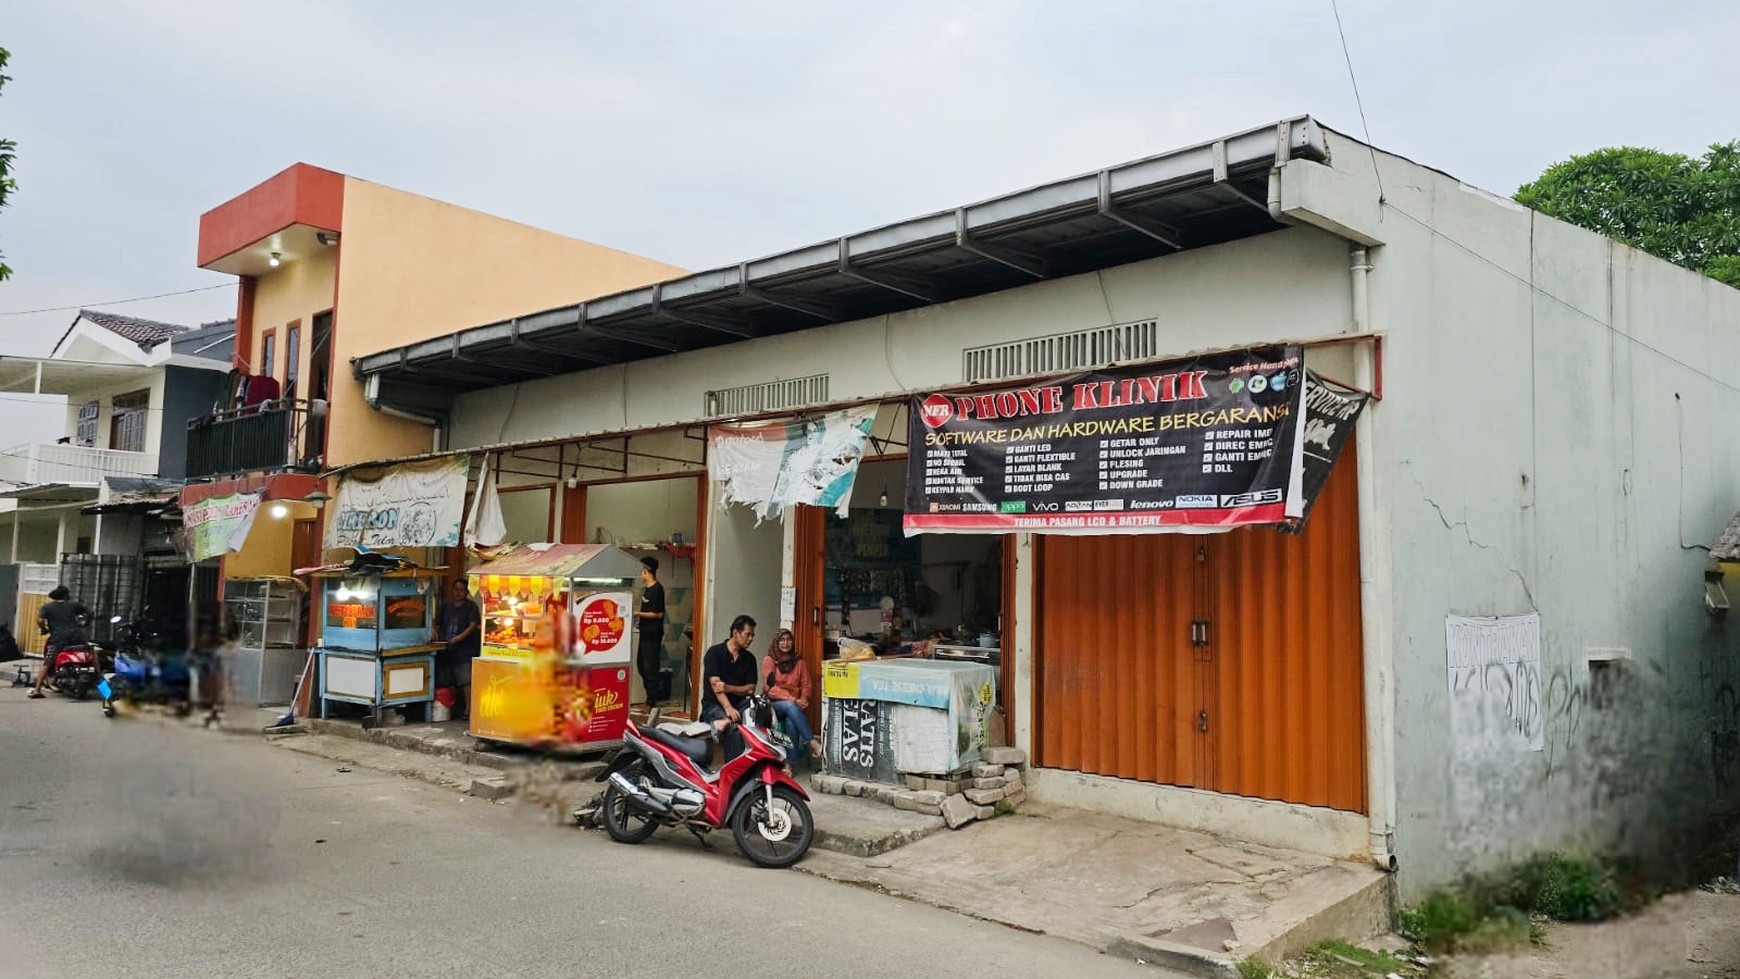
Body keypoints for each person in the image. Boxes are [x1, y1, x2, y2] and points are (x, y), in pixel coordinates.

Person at [701, 614, 759, 757]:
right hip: (714, 706)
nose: (751, 638)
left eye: (753, 635)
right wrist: (728, 708)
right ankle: (733, 772)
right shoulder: (714, 653)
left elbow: (751, 688)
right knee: (734, 728)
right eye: (747, 634)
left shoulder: (749, 658)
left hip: (740, 705)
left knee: (759, 715)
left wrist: (730, 688)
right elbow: (717, 687)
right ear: (735, 633)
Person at [763, 628, 822, 763]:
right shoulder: (769, 660)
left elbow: (806, 684)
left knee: (791, 722)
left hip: (794, 706)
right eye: (782, 640)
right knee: (790, 706)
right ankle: (812, 741)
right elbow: (769, 688)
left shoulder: (799, 661)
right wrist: (794, 700)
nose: (786, 643)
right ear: (776, 643)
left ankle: (790, 764)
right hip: (773, 705)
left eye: (789, 640)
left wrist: (804, 698)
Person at [430, 579, 481, 719]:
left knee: (465, 681)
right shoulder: (445, 606)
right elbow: (436, 622)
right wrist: (434, 632)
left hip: (465, 650)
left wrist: (459, 638)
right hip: (446, 648)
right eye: (456, 589)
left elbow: (472, 626)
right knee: (446, 680)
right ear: (452, 590)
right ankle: (448, 708)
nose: (459, 593)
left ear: (467, 592)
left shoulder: (471, 607)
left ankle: (468, 711)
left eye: (462, 590)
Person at [30, 586, 89, 699]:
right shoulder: (74, 605)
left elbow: (40, 620)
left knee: (47, 662)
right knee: (91, 652)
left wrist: (43, 629)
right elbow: (89, 612)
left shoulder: (47, 607)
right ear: (66, 595)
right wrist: (86, 622)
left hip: (58, 639)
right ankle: (99, 673)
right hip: (77, 637)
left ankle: (37, 689)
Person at [632, 556, 666, 705]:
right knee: (641, 666)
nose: (641, 575)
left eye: (642, 572)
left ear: (646, 572)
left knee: (650, 668)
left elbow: (658, 614)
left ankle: (652, 701)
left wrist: (637, 613)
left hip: (653, 635)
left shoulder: (657, 589)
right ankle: (649, 698)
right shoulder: (647, 589)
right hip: (644, 633)